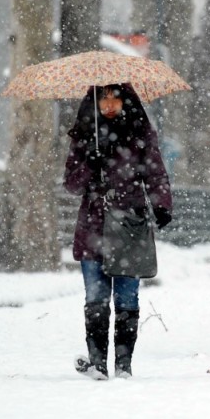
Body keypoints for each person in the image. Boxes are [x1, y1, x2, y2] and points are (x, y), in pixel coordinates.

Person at [63, 83, 172, 380]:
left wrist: (162, 205)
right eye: (103, 99)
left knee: (127, 297)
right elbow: (71, 184)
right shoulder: (85, 137)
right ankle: (98, 363)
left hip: (129, 225)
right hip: (94, 225)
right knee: (96, 298)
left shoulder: (140, 135)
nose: (109, 104)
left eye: (115, 98)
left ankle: (124, 366)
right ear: (94, 103)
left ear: (126, 101)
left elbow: (156, 172)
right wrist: (89, 165)